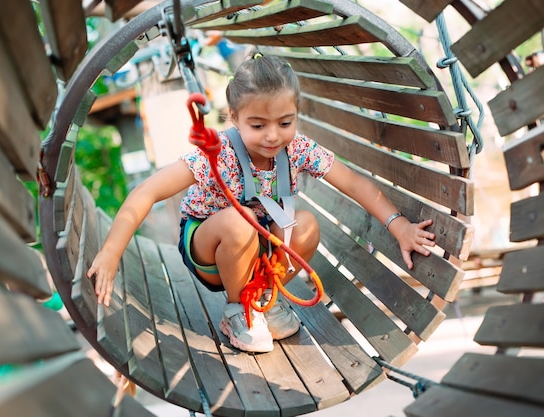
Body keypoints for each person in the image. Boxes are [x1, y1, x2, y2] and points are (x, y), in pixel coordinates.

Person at [87, 53, 436, 353]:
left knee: (305, 223)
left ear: (296, 115)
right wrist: (111, 253)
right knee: (238, 223)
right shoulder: (219, 153)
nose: (273, 135)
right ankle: (239, 311)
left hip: (261, 246)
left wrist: (399, 224)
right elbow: (146, 191)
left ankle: (265, 295)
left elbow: (354, 183)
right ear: (234, 118)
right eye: (258, 124)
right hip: (211, 246)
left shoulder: (297, 148)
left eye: (285, 122)